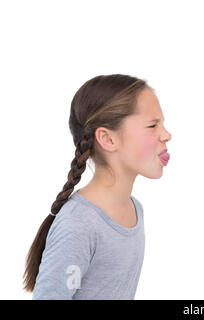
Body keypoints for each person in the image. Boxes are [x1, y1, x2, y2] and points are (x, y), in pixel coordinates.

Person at [23, 74, 172, 299]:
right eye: (152, 125)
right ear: (108, 139)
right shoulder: (79, 224)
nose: (166, 135)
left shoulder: (134, 209)